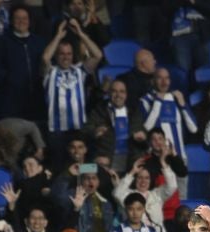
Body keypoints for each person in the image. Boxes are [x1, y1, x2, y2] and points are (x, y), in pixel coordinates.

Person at [41, 19, 102, 169]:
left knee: (85, 167)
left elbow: (98, 55)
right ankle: (63, 191)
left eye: (69, 53)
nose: (66, 56)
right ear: (57, 55)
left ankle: (84, 191)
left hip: (79, 129)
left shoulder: (79, 70)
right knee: (60, 167)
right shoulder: (50, 72)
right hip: (56, 131)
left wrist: (81, 34)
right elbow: (45, 58)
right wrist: (58, 36)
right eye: (61, 53)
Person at [89, 79, 147, 173]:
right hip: (105, 163)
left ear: (126, 94)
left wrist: (143, 138)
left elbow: (145, 141)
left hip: (131, 165)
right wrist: (94, 133)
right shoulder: (99, 110)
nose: (118, 95)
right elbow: (85, 133)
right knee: (81, 169)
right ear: (108, 93)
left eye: (121, 91)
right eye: (114, 91)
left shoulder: (134, 112)